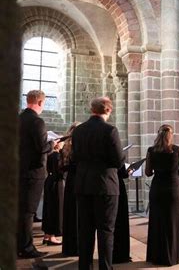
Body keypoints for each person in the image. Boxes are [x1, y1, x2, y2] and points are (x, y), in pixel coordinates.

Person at [72, 97, 125, 270]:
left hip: (83, 185)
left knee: (85, 231)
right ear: (108, 110)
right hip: (105, 187)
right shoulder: (110, 130)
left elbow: (76, 157)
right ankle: (105, 268)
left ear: (92, 110)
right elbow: (118, 161)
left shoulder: (78, 131)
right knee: (105, 231)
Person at [18, 90, 56, 258]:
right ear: (40, 102)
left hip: (18, 171)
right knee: (28, 213)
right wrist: (53, 145)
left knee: (21, 211)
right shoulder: (37, 121)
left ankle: (17, 245)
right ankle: (26, 248)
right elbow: (41, 148)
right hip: (33, 174)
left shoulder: (19, 119)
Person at [145, 124, 179, 266]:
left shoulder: (151, 150)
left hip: (157, 189)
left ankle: (157, 256)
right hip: (173, 190)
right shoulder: (177, 150)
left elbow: (148, 172)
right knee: (173, 223)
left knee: (157, 222)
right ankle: (173, 256)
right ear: (171, 135)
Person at [61, 122, 80, 256]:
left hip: (69, 181)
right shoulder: (79, 146)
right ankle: (77, 247)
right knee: (78, 215)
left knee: (69, 213)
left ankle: (68, 247)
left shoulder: (65, 147)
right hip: (79, 180)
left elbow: (62, 167)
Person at [42, 140, 64, 245]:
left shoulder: (49, 155)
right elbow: (60, 171)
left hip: (49, 181)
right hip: (56, 183)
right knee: (55, 209)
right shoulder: (57, 156)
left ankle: (47, 235)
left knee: (48, 208)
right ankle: (52, 236)